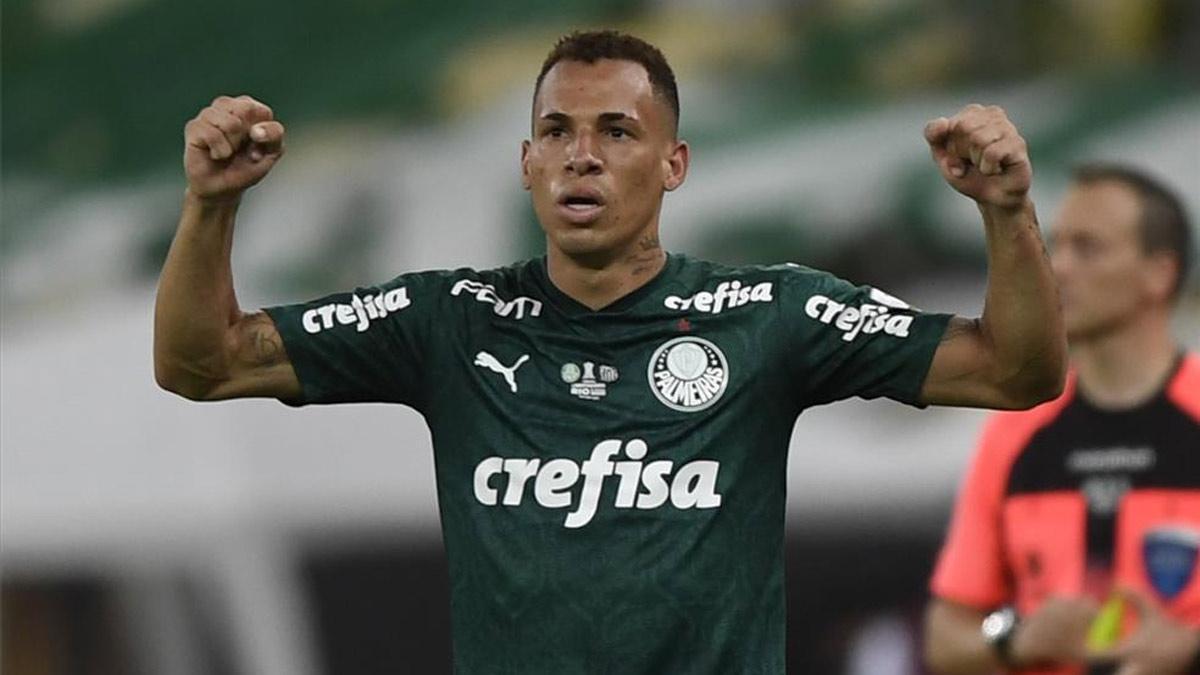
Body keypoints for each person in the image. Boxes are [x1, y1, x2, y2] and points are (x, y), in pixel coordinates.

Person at [155, 30, 1066, 673]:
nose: (580, 157)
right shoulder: (449, 318)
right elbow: (203, 364)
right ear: (524, 162)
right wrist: (210, 206)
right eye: (557, 132)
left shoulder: (767, 313)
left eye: (616, 132)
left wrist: (1007, 213)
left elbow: (1014, 371)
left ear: (674, 163)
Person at [924, 164, 1199, 675]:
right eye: (1057, 245)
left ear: (1159, 273)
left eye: (1087, 248)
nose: (1059, 267)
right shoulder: (1015, 430)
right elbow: (946, 636)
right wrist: (1015, 639)